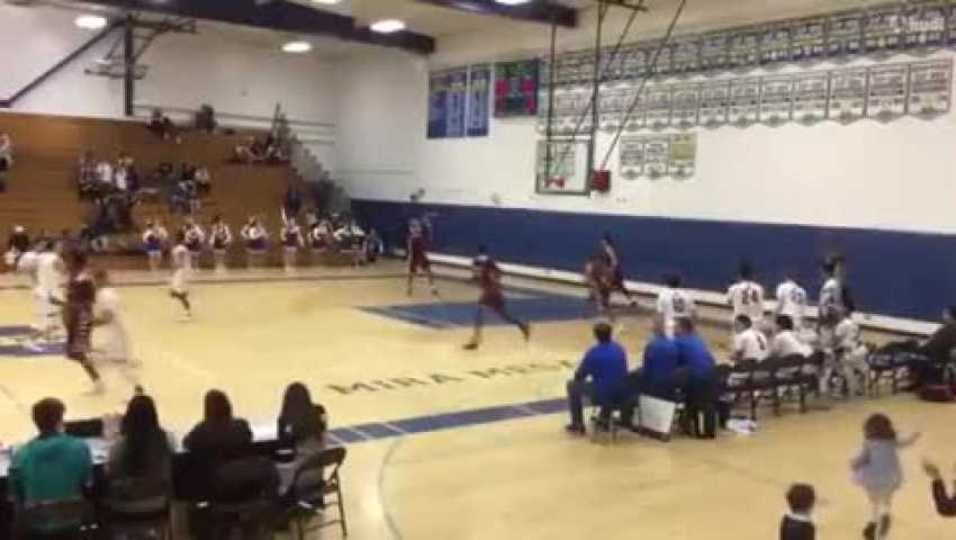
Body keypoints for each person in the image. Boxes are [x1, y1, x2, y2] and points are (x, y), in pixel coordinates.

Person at [9, 398, 93, 521]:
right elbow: (87, 483)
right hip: (73, 522)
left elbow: (16, 496)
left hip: (35, 525)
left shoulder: (21, 455)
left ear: (35, 422)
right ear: (61, 420)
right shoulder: (80, 447)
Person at [850, 413, 920, 540]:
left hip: (873, 477)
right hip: (890, 475)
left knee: (874, 499)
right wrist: (914, 437)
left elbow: (862, 458)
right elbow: (905, 443)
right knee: (888, 495)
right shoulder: (892, 441)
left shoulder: (869, 443)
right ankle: (886, 512)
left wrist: (854, 464)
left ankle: (874, 520)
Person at [106, 394, 173, 502]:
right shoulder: (165, 439)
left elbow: (110, 472)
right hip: (159, 502)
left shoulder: (121, 444)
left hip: (126, 506)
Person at [565, 322, 628, 435]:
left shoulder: (593, 353)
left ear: (595, 336)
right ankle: (604, 417)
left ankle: (577, 424)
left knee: (572, 385)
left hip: (602, 394)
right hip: (623, 392)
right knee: (610, 383)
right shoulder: (619, 349)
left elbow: (580, 375)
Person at [463, 246, 530, 350]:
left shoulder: (483, 264)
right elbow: (491, 275)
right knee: (503, 315)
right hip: (494, 292)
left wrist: (492, 282)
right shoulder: (487, 264)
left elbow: (491, 275)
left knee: (478, 314)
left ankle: (475, 341)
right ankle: (523, 326)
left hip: (491, 292)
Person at [62, 250, 104, 392]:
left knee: (76, 351)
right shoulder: (75, 275)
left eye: (68, 260)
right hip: (74, 315)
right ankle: (97, 376)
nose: (65, 263)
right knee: (73, 351)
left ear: (75, 261)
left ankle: (98, 380)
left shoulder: (83, 278)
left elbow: (89, 298)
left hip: (81, 316)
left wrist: (76, 309)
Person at [674, 317, 718, 436]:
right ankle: (700, 426)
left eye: (676, 327)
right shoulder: (698, 340)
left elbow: (671, 362)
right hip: (712, 375)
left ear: (682, 328)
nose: (673, 329)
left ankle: (694, 426)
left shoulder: (678, 342)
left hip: (696, 378)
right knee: (706, 403)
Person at [183, 390, 253, 462]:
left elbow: (187, 443)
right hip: (243, 464)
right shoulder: (241, 425)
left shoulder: (202, 429)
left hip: (217, 467)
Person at [23, 239, 63, 352]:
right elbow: (64, 270)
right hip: (50, 292)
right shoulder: (56, 258)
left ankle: (49, 335)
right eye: (60, 246)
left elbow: (29, 270)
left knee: (56, 316)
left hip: (42, 290)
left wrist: (36, 282)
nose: (62, 248)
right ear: (54, 247)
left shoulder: (39, 257)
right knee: (46, 321)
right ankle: (29, 341)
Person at [92, 269, 135, 367]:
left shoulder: (106, 295)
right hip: (115, 342)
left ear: (98, 280)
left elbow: (107, 318)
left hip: (116, 347)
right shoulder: (106, 292)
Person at [277, 382, 327, 455]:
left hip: (302, 456)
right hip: (319, 452)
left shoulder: (286, 419)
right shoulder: (320, 410)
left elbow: (283, 441)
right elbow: (323, 427)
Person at [832, 309, 869, 397]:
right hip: (858, 351)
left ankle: (838, 391)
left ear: (841, 315)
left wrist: (834, 349)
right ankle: (858, 389)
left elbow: (837, 338)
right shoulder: (855, 324)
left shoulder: (841, 325)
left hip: (846, 351)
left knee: (843, 371)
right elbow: (859, 339)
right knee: (864, 369)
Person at [599, 233, 637, 307]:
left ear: (606, 241)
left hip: (612, 269)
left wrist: (612, 269)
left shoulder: (609, 248)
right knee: (620, 286)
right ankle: (631, 300)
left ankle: (605, 301)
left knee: (607, 285)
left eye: (603, 241)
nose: (602, 242)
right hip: (613, 269)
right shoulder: (608, 248)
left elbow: (614, 259)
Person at [727, 262, 765, 328]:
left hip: (740, 322)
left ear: (739, 275)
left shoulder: (734, 288)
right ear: (752, 275)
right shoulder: (759, 288)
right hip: (756, 322)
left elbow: (729, 302)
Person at [406, 218, 437, 296]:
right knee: (411, 273)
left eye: (418, 226)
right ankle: (409, 287)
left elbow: (427, 241)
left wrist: (428, 226)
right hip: (414, 257)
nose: (418, 228)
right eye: (415, 227)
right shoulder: (412, 238)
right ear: (411, 228)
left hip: (421, 256)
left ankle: (432, 287)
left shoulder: (420, 236)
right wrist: (410, 259)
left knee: (428, 271)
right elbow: (411, 250)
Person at [169, 231, 193, 321]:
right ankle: (185, 311)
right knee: (175, 292)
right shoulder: (177, 248)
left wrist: (175, 268)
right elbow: (175, 261)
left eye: (178, 238)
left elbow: (180, 261)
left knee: (178, 292)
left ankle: (187, 313)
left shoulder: (181, 248)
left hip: (182, 271)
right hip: (179, 271)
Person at [584, 255, 613, 320]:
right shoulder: (603, 268)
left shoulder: (605, 268)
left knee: (599, 300)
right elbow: (591, 276)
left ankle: (609, 316)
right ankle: (587, 314)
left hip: (601, 286)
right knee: (596, 299)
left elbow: (603, 278)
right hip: (599, 285)